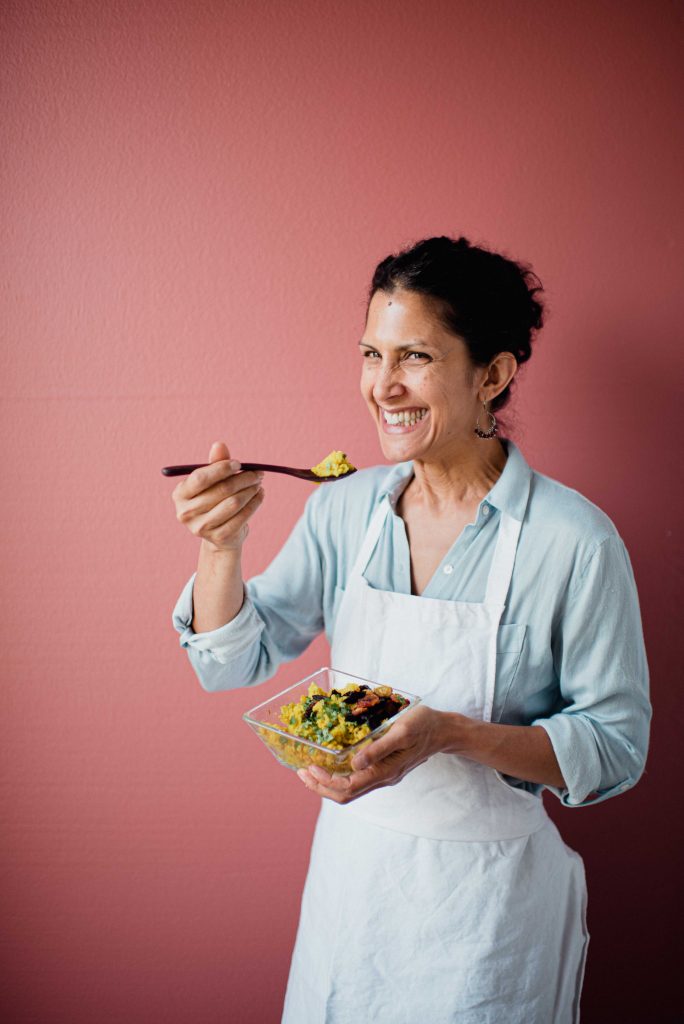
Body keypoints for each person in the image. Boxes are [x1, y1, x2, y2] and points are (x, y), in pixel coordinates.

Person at [171, 236, 651, 1024]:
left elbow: (616, 747)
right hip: (352, 896)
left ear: (492, 375)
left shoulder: (574, 541)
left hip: (491, 919)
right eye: (371, 354)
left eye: (415, 357)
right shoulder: (342, 508)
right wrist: (220, 547)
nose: (382, 386)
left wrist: (452, 735)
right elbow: (231, 661)